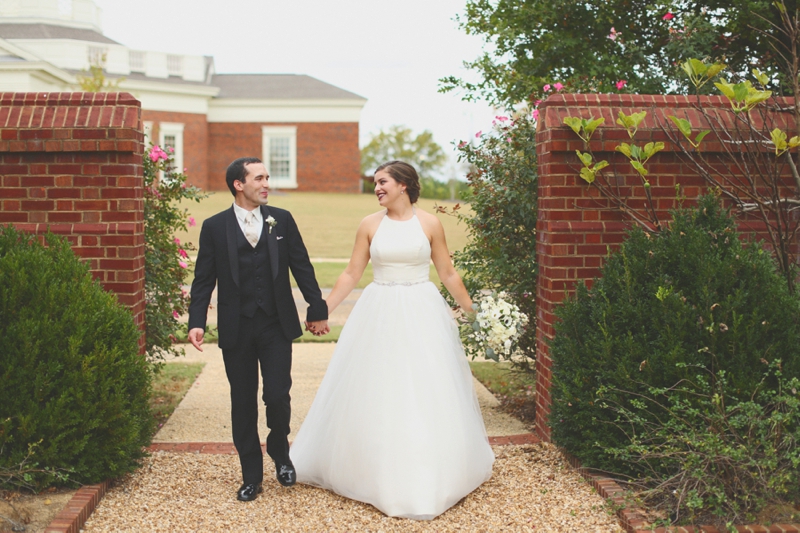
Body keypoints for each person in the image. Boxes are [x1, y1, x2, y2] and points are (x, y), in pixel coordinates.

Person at [290, 160, 494, 520]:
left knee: (426, 385)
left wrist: (474, 311)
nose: (377, 188)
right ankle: (372, 468)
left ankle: (429, 466)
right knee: (379, 384)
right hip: (380, 308)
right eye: (375, 183)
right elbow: (352, 272)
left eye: (382, 182)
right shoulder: (369, 225)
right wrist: (322, 311)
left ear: (403, 185)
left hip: (421, 308)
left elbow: (446, 271)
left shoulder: (429, 223)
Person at [187, 157, 329, 502]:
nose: (266, 183)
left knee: (277, 394)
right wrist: (196, 322)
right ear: (239, 184)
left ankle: (280, 453)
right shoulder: (214, 227)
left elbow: (302, 266)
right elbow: (203, 278)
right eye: (259, 178)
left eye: (267, 177)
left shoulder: (281, 219)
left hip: (276, 323)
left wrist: (317, 307)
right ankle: (251, 475)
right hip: (237, 328)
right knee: (243, 402)